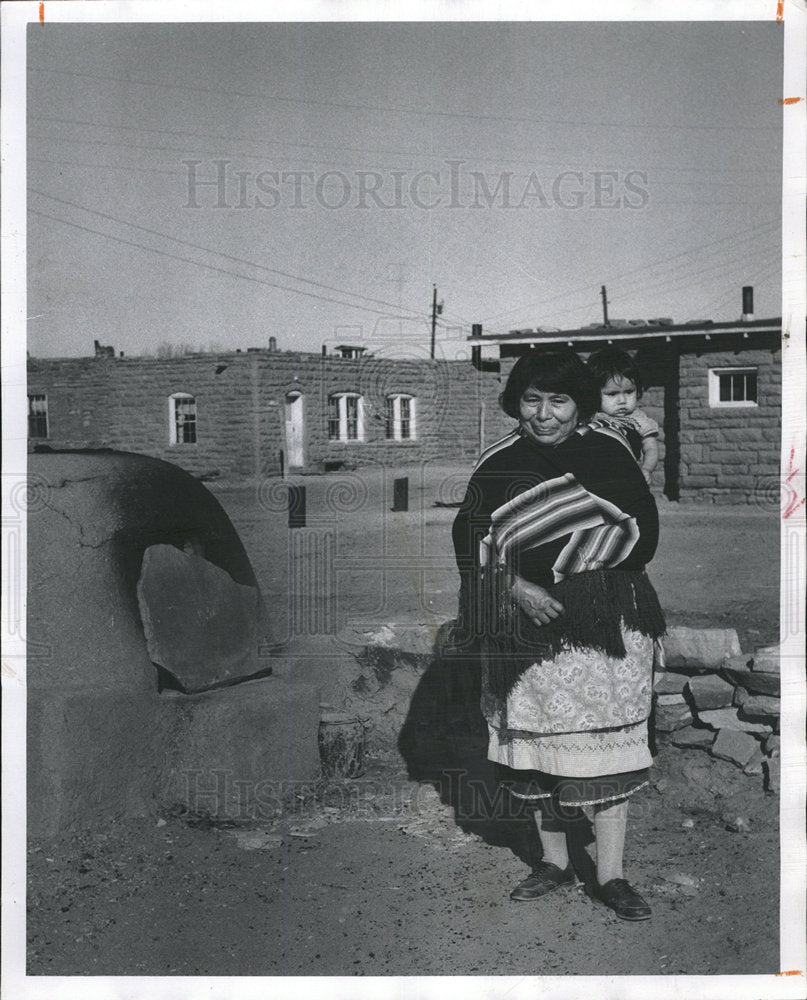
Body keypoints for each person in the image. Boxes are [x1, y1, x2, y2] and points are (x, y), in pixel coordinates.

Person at [452, 349, 665, 921]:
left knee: (604, 744)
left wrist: (567, 573)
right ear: (515, 402)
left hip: (602, 625)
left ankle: (613, 875)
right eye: (532, 400)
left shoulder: (608, 452)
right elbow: (470, 539)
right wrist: (516, 587)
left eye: (558, 400)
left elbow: (640, 533)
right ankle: (554, 861)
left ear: (580, 405)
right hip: (525, 628)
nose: (544, 415)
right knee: (537, 744)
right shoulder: (499, 462)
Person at [586, 347, 660, 484]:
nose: (622, 401)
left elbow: (651, 448)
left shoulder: (638, 420)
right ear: (594, 393)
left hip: (625, 478)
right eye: (612, 394)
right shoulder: (589, 416)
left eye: (629, 392)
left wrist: (647, 469)